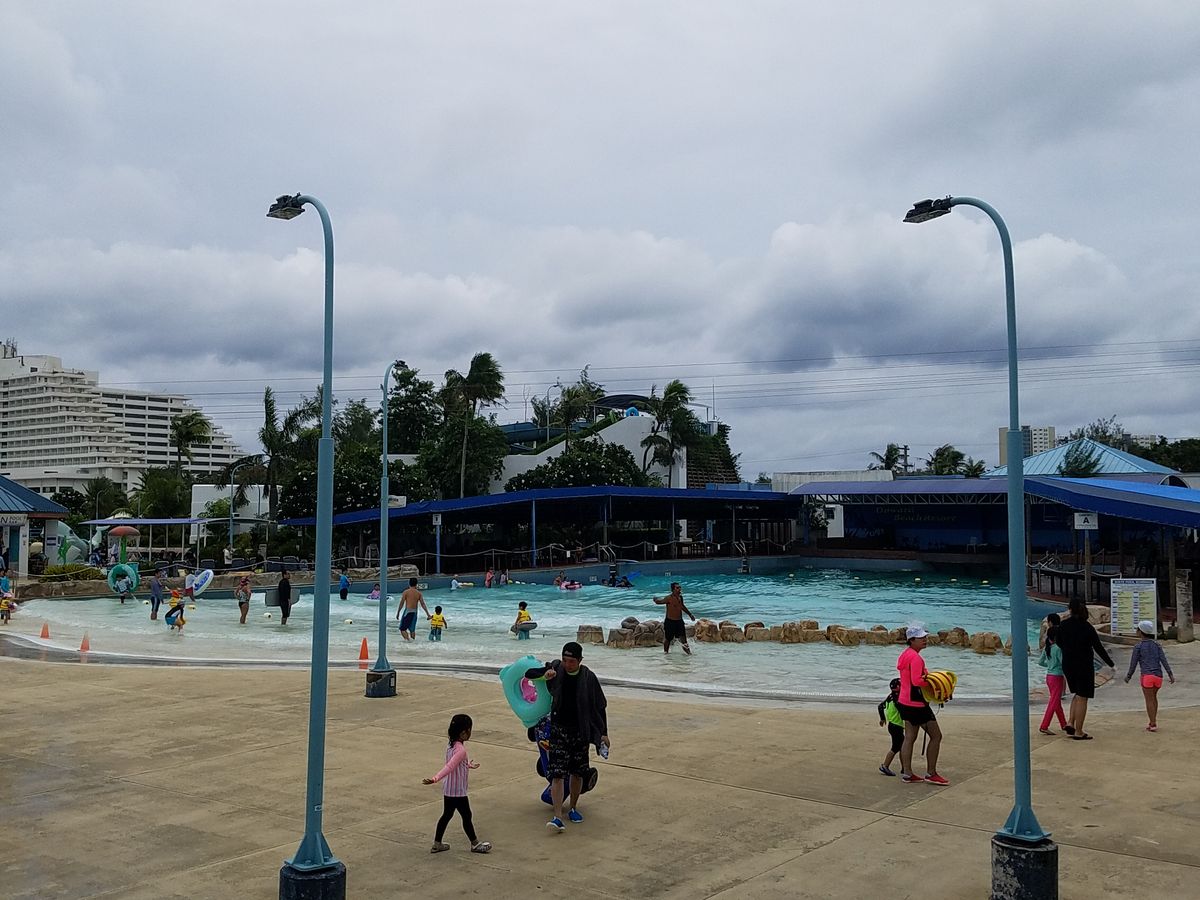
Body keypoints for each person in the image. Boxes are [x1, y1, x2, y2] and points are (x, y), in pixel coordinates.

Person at [524, 642, 610, 833]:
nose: (567, 664)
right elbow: (529, 673)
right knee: (557, 774)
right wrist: (544, 674)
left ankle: (573, 808)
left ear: (580, 660)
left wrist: (603, 733)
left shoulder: (588, 678)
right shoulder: (556, 669)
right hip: (559, 730)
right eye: (564, 660)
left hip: (580, 732)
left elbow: (600, 706)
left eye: (571, 661)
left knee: (577, 773)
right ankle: (557, 816)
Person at [422, 713, 492, 854]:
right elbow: (450, 766)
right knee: (466, 816)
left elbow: (455, 764)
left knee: (447, 815)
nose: (470, 732)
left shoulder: (451, 745)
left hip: (449, 790)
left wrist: (467, 765)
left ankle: (437, 843)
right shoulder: (461, 751)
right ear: (463, 733)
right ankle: (475, 844)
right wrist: (435, 778)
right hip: (458, 792)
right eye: (469, 730)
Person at [1056, 597, 1115, 740]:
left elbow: (1058, 641)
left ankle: (1070, 722)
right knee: (1083, 697)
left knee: (1077, 693)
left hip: (1068, 664)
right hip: (1083, 665)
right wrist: (1111, 663)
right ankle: (1079, 731)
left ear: (1070, 609)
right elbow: (1098, 648)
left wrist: (1068, 650)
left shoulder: (1063, 625)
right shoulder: (1087, 627)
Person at [896, 625, 948, 785]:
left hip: (904, 701)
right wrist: (936, 684)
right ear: (911, 640)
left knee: (909, 737)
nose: (925, 640)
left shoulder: (905, 654)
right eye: (921, 638)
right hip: (916, 704)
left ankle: (907, 773)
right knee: (936, 736)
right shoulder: (916, 658)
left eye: (925, 637)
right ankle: (931, 773)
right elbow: (917, 681)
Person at [1124, 619, 1175, 732]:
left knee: (1149, 700)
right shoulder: (1157, 645)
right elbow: (1163, 660)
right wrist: (1170, 674)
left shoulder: (1138, 647)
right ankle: (1152, 721)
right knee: (1154, 698)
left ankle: (1153, 723)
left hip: (1147, 676)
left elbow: (1133, 663)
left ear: (1141, 632)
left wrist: (1128, 676)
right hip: (1158, 676)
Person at [1038, 613, 1067, 735]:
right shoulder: (1058, 649)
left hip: (1049, 676)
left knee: (1056, 702)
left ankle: (1064, 724)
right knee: (1053, 702)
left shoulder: (1047, 648)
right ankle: (1044, 725)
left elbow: (1040, 662)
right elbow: (1063, 663)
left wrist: (1050, 666)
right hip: (1057, 677)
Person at [653, 582, 696, 655]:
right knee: (668, 639)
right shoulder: (669, 598)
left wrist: (690, 614)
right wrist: (655, 600)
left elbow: (682, 606)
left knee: (683, 639)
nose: (679, 589)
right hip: (670, 621)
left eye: (680, 587)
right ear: (673, 590)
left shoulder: (680, 597)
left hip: (679, 621)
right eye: (677, 588)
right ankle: (666, 653)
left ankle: (689, 654)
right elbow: (660, 602)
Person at [877, 677, 904, 776]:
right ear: (898, 687)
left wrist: (882, 718)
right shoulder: (898, 698)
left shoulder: (890, 696)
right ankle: (885, 766)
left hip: (892, 725)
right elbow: (902, 710)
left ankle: (904, 768)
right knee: (896, 748)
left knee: (902, 747)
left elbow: (880, 706)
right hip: (896, 726)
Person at [396, 577, 431, 641]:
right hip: (415, 612)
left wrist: (398, 612)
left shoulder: (406, 592)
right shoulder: (418, 593)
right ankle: (413, 642)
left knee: (402, 629)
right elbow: (423, 604)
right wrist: (428, 614)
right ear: (416, 584)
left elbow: (402, 603)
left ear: (409, 583)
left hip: (408, 611)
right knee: (412, 630)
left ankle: (408, 641)